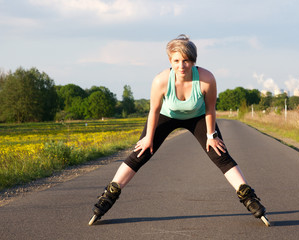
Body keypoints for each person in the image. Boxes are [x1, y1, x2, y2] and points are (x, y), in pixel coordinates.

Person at [89, 34, 268, 226]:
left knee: (220, 153)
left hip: (198, 116)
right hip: (167, 116)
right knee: (140, 152)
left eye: (186, 61)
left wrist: (211, 135)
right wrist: (149, 137)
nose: (181, 66)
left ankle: (248, 197)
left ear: (193, 61)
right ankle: (109, 195)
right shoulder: (161, 81)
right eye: (176, 61)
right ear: (170, 61)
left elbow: (210, 109)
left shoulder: (206, 79)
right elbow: (154, 110)